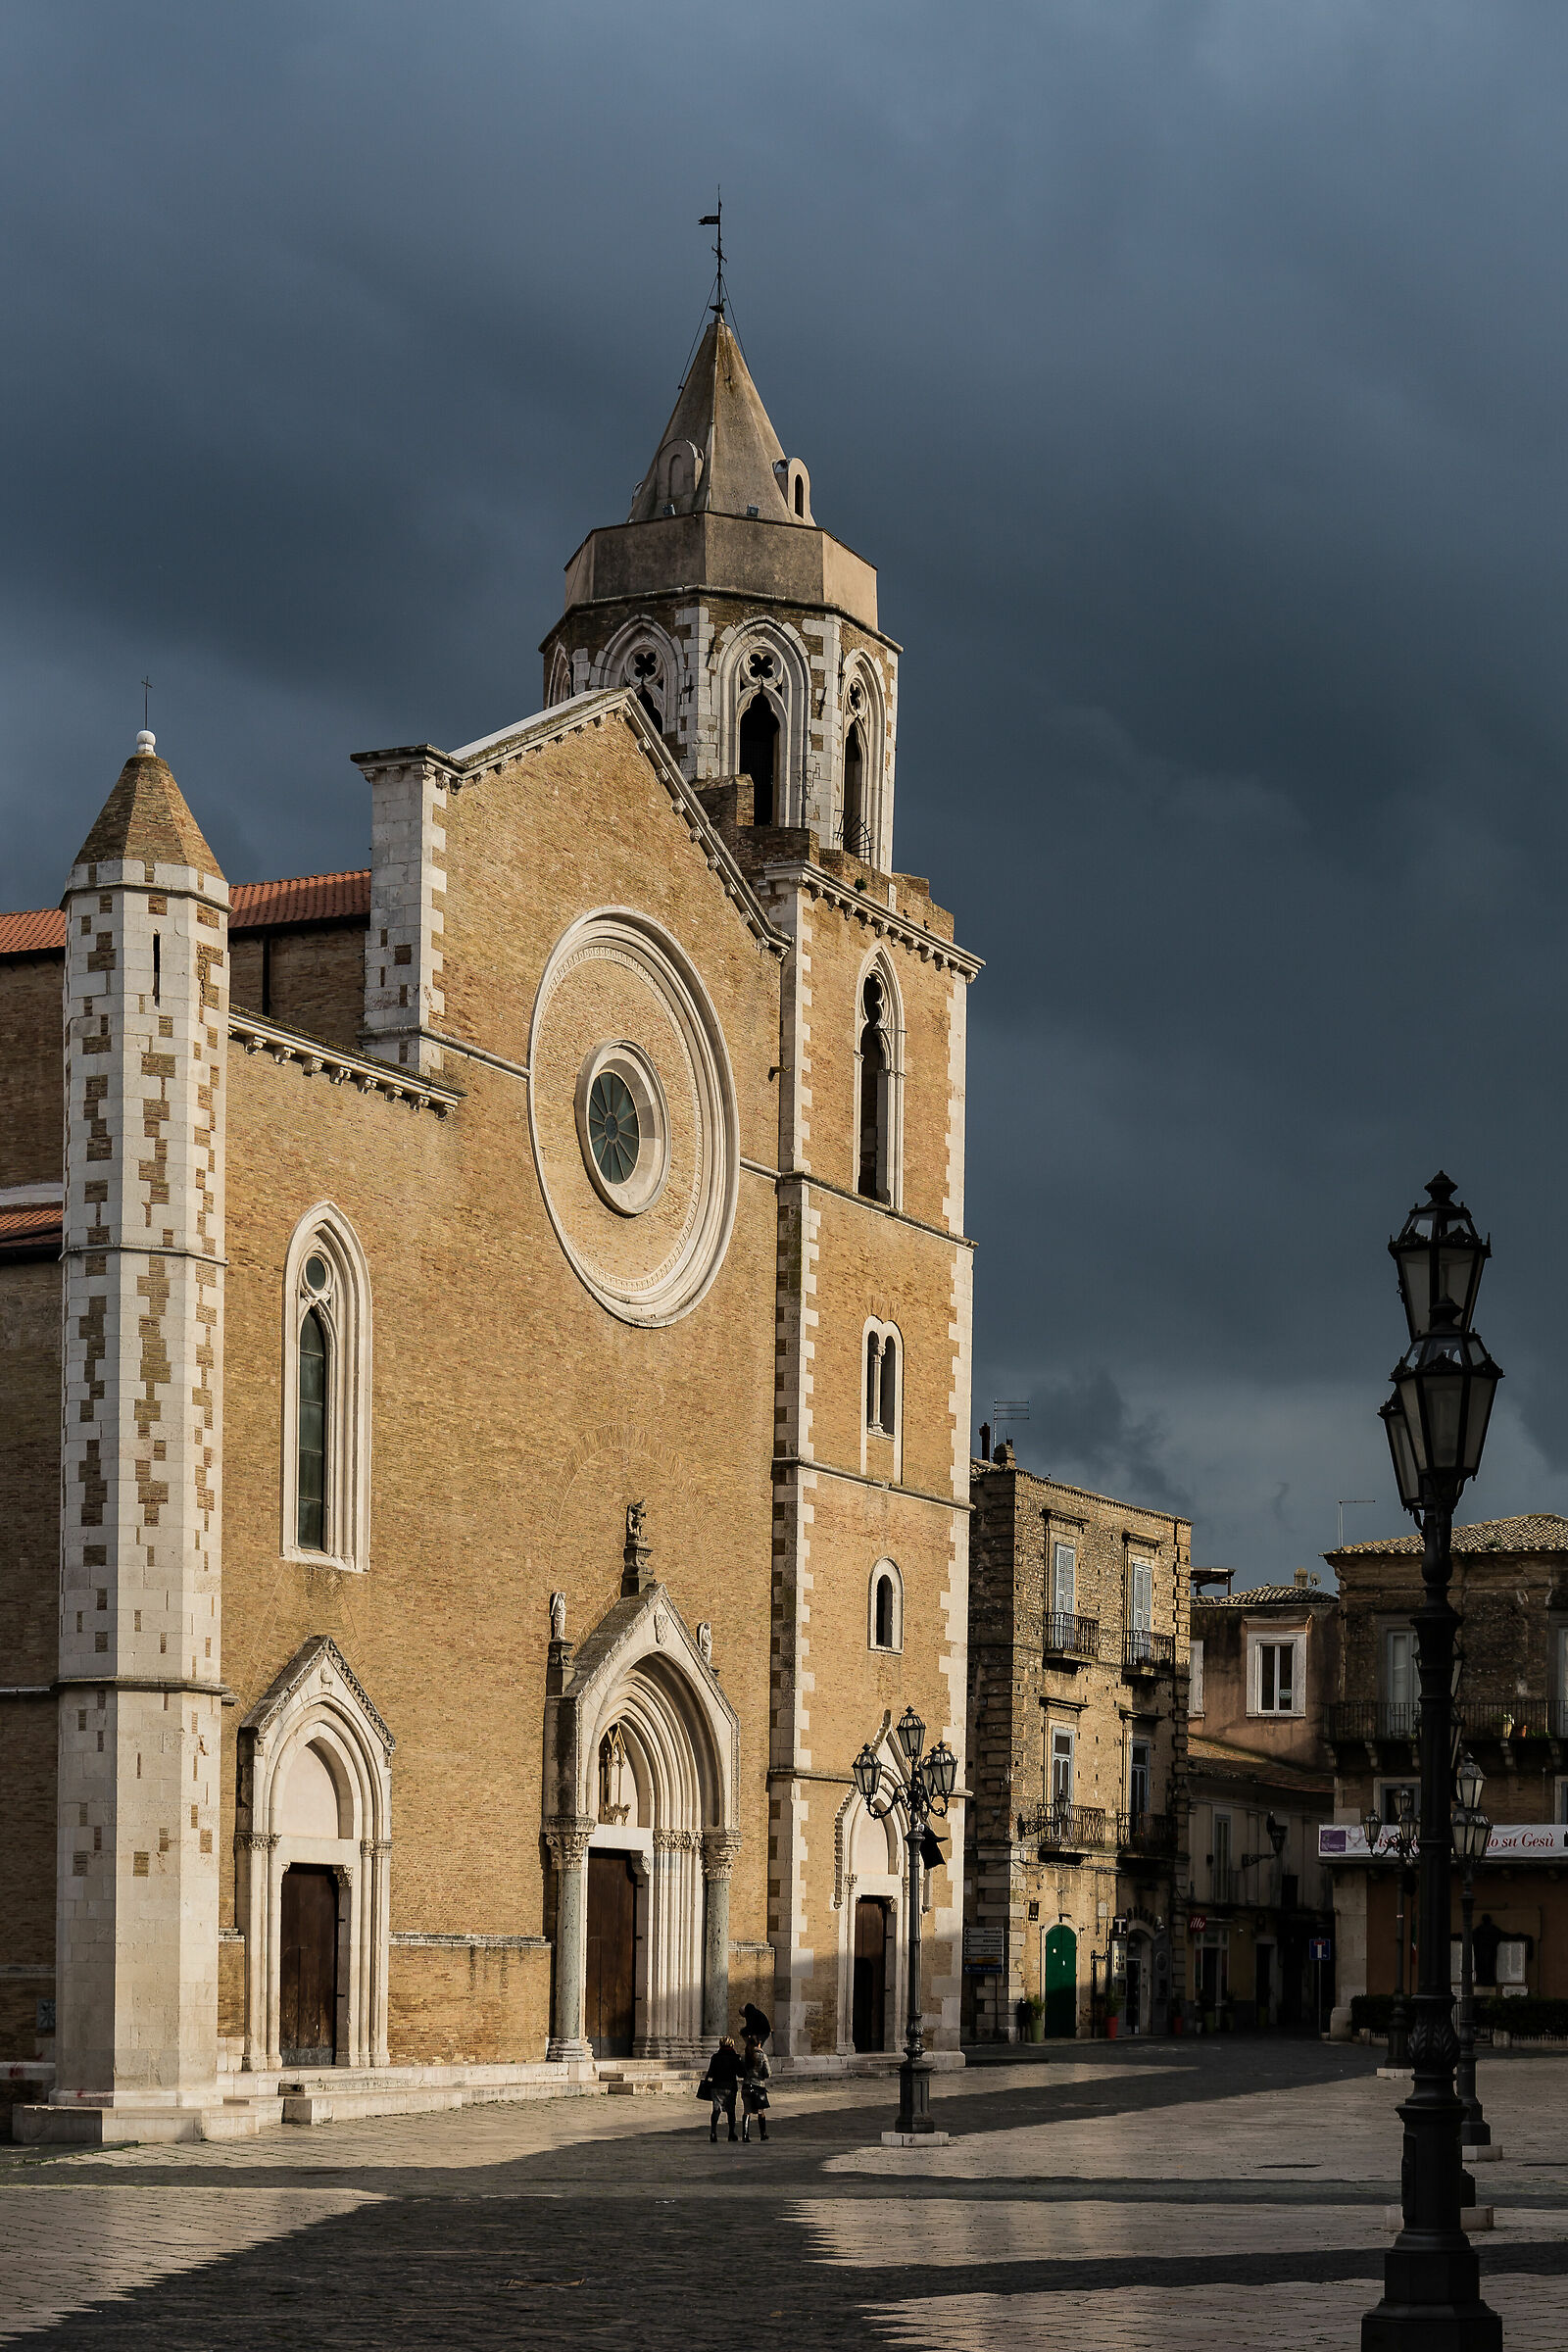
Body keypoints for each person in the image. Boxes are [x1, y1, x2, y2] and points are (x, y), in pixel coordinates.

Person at [705, 2034, 742, 2142]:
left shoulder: (715, 2057)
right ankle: (731, 2133)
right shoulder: (735, 2057)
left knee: (716, 2110)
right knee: (731, 2111)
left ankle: (713, 2132)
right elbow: (740, 2073)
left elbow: (710, 2073)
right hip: (730, 2087)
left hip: (716, 2086)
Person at [740, 2032, 771, 2142]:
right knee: (760, 2112)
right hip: (759, 2087)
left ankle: (745, 2135)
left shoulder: (744, 2056)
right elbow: (768, 2073)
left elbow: (741, 2072)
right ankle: (763, 2134)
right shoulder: (762, 2056)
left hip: (747, 2086)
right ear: (758, 2044)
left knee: (746, 2111)